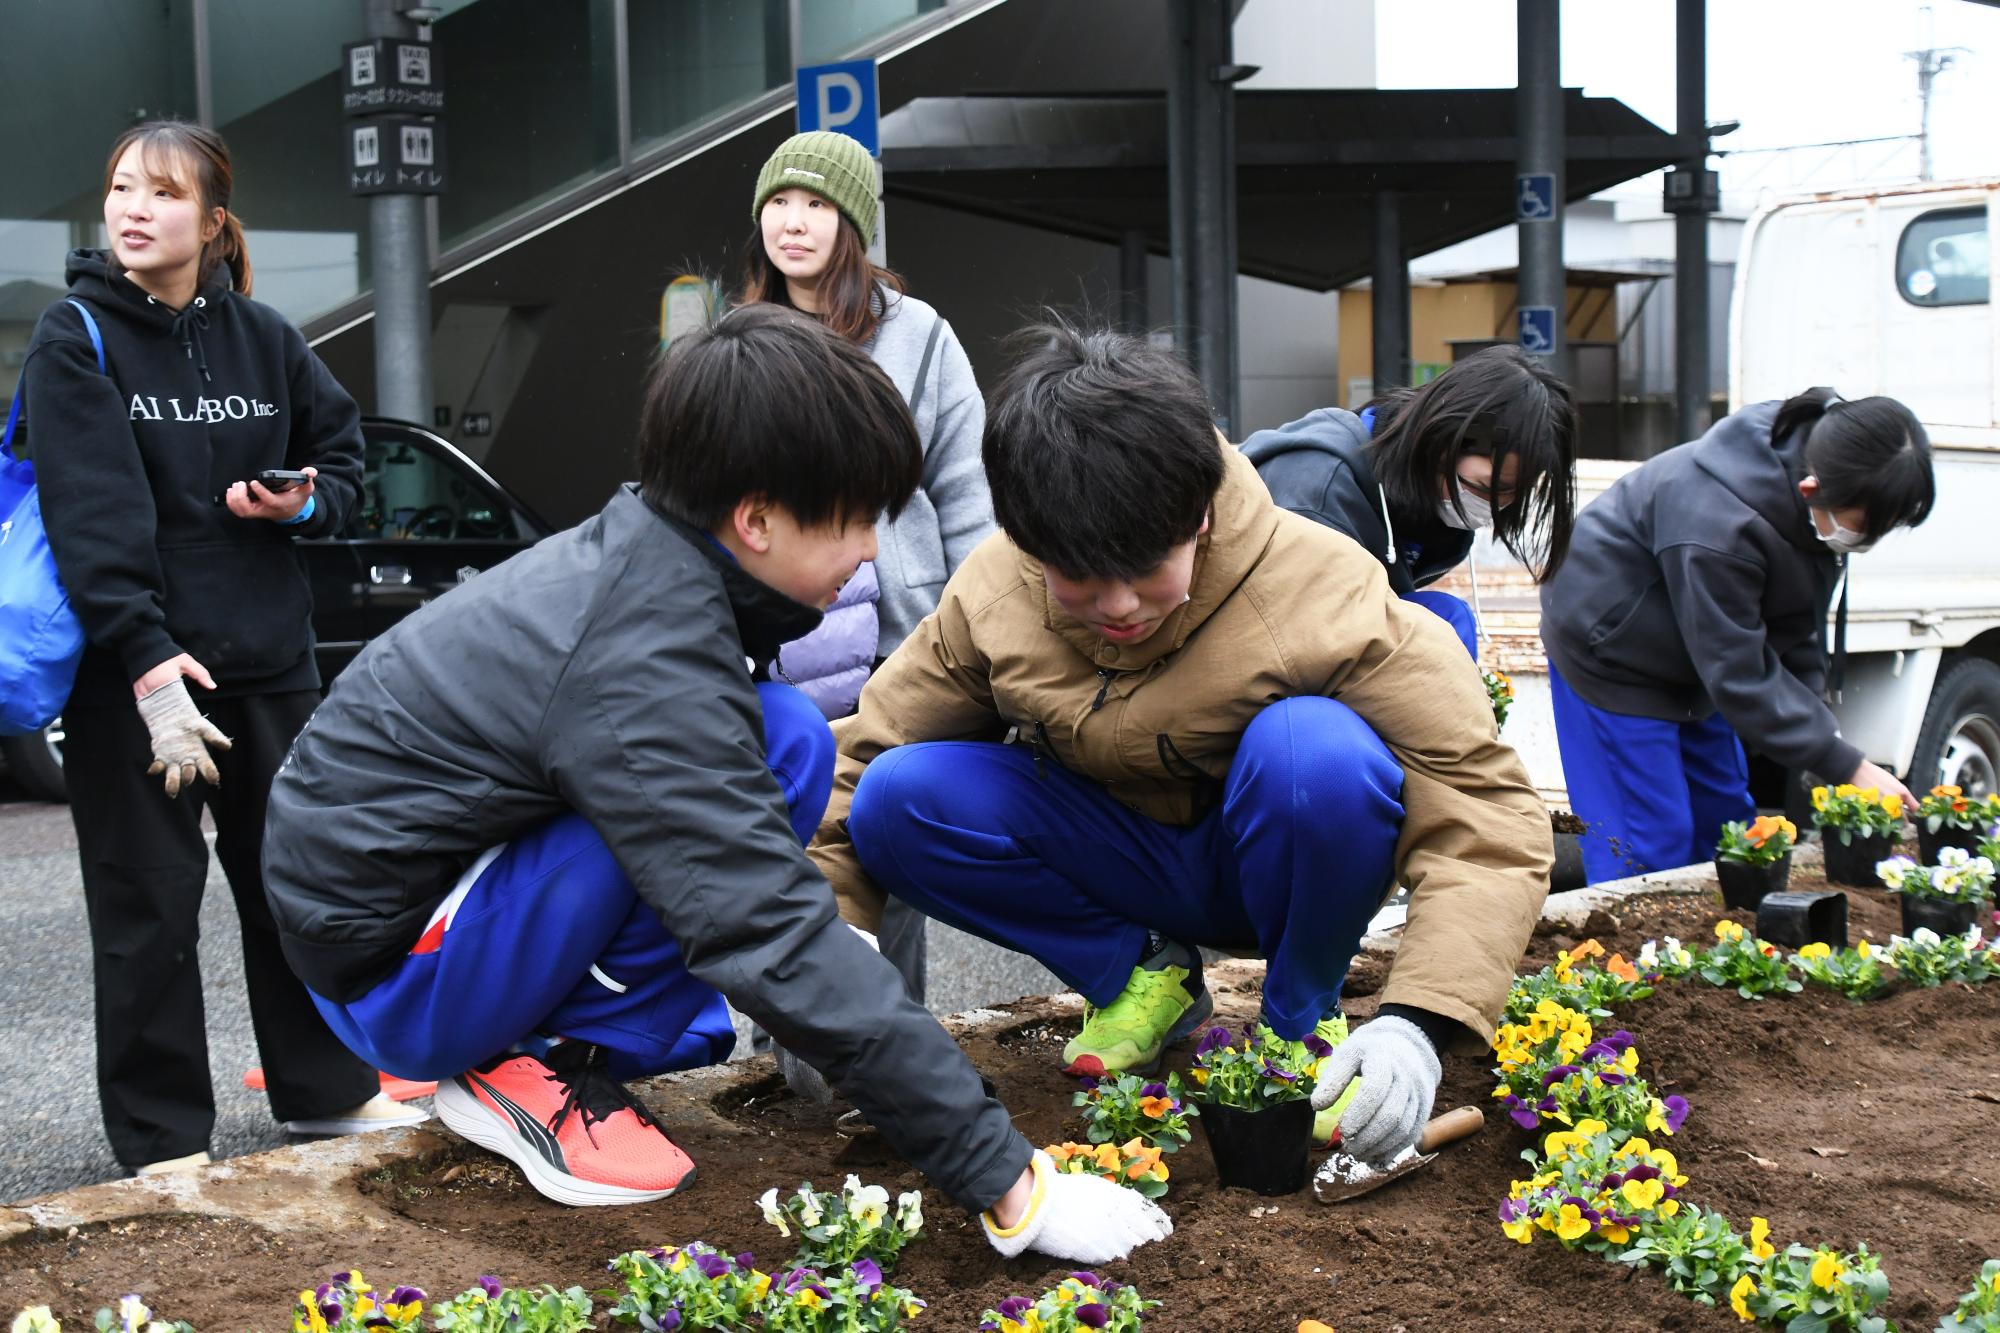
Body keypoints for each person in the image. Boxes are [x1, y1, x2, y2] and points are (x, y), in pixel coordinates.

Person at [262, 305, 1169, 1263]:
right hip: (392, 967)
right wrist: (1012, 1183)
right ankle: (526, 1071)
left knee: (785, 738)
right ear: (757, 517)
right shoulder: (639, 661)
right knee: (698, 828)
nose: (870, 549)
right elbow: (758, 922)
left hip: (446, 897)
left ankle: (571, 1044)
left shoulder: (657, 564)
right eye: (857, 517)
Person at [806, 321, 1553, 1159]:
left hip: (1271, 865)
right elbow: (865, 753)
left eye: (1145, 567)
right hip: (1117, 858)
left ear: (1198, 517)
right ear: (1028, 536)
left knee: (1316, 752)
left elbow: (1484, 808)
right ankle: (1138, 973)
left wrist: (1419, 1022)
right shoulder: (995, 587)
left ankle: (1300, 1016)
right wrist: (833, 955)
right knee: (897, 796)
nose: (1119, 605)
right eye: (1081, 576)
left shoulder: (1322, 584)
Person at [18, 121, 420, 1178]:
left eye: (159, 192)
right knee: (145, 904)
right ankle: (161, 1139)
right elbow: (90, 514)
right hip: (135, 681)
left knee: (293, 884)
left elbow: (343, 460)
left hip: (270, 666)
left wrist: (301, 501)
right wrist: (148, 661)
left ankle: (327, 1094)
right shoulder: (76, 337)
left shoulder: (265, 337)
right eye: (118, 189)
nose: (133, 208)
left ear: (212, 220)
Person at [739, 129, 997, 1015]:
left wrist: (983, 625)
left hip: (899, 642)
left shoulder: (917, 334)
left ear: (852, 224)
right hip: (775, 644)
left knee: (878, 840)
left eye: (815, 204)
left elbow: (966, 488)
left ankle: (893, 1050)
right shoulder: (742, 339)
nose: (794, 223)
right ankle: (804, 1059)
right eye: (779, 202)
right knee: (784, 844)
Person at [1538, 390, 1936, 885]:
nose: (1866, 541)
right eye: (1864, 530)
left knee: (1726, 826)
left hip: (1693, 651)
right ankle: (1629, 960)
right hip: (1610, 650)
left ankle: (1719, 952)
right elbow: (1739, 673)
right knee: (1646, 844)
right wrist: (1845, 764)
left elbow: (1796, 625)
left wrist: (1821, 735)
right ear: (1812, 489)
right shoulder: (1720, 524)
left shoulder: (1823, 474)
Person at [1241, 345, 1578, 658]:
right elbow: (1291, 641)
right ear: (1442, 439)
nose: (1493, 507)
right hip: (1260, 654)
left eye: (1513, 495)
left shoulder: (1422, 505)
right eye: (1483, 487)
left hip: (1326, 640)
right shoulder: (1317, 490)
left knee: (1444, 621)